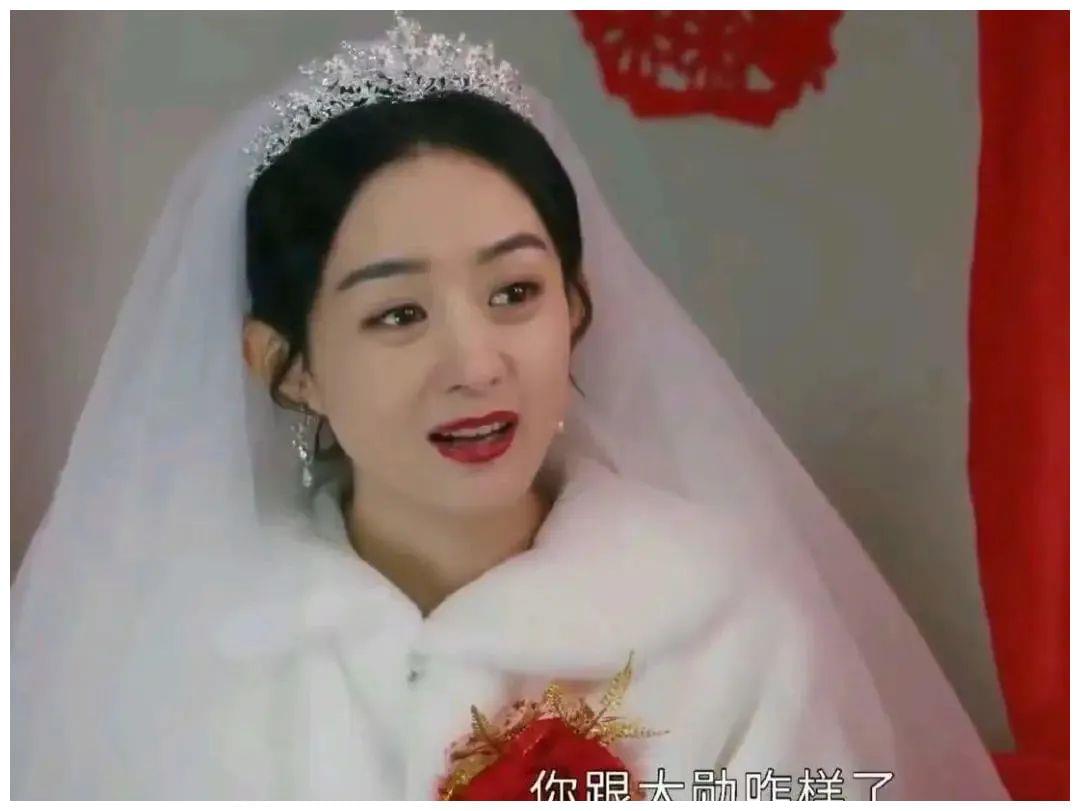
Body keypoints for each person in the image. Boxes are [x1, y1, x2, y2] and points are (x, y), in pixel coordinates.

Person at [11, 13, 1008, 800]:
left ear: (576, 307)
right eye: (399, 313)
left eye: (516, 293)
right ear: (286, 364)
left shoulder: (721, 620)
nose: (476, 363)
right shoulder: (188, 649)